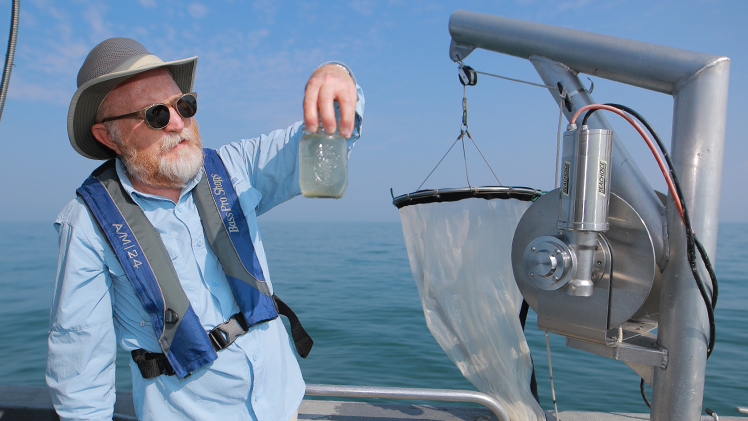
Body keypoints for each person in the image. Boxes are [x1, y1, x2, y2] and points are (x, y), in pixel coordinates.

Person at [46, 37, 364, 421]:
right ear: (107, 135)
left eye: (185, 105)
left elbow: (329, 134)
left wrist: (338, 75)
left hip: (283, 407)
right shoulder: (87, 225)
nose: (178, 123)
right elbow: (80, 369)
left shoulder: (235, 167)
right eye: (155, 115)